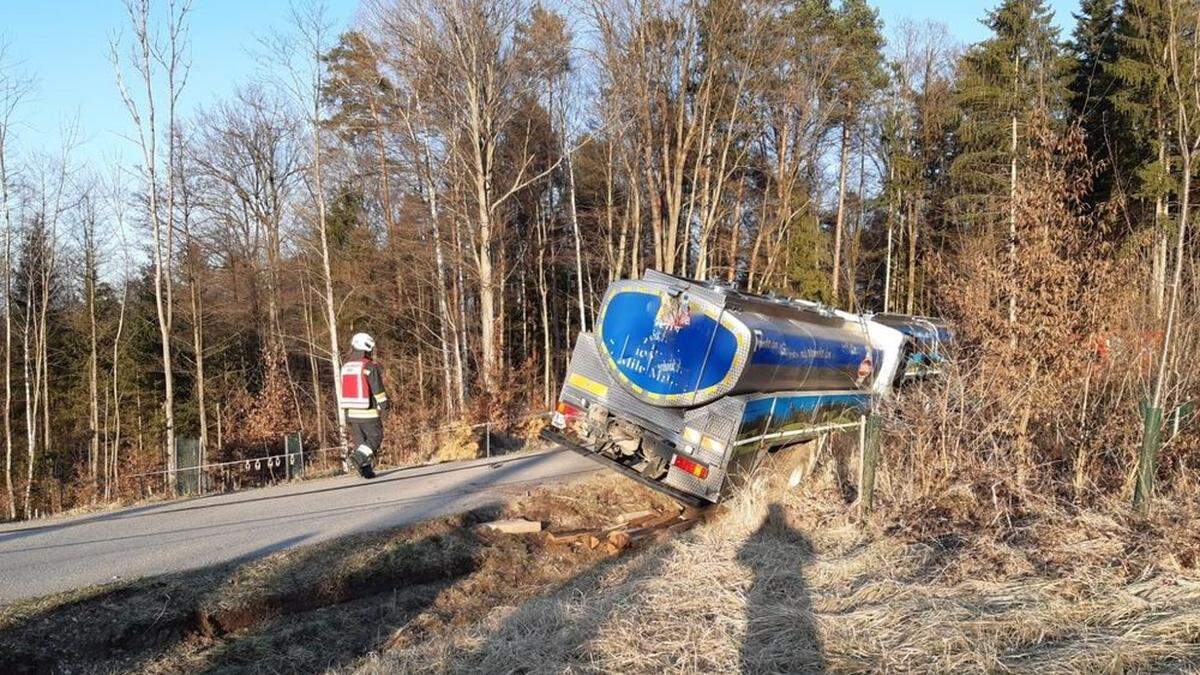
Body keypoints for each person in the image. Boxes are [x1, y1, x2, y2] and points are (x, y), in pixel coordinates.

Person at [338, 332, 389, 478]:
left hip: (351, 414)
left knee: (361, 442)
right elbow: (378, 390)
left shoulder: (346, 366)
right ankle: (358, 458)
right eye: (370, 349)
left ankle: (366, 470)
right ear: (366, 348)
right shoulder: (369, 366)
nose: (371, 352)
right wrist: (385, 407)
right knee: (375, 437)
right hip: (368, 412)